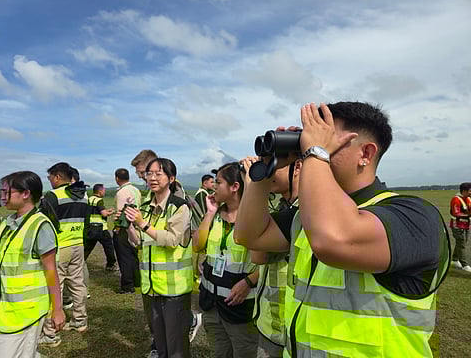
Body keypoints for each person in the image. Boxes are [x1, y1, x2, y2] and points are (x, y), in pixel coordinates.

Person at [235, 102, 450, 358]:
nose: (306, 151)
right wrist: (265, 171)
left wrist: (315, 152)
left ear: (366, 154)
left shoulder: (413, 216)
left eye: (327, 139)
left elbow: (334, 240)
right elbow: (250, 236)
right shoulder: (305, 217)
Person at [125, 158, 195, 358]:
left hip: (174, 289)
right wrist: (130, 226)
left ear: (171, 178)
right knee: (160, 340)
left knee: (177, 345)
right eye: (149, 173)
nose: (152, 178)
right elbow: (140, 241)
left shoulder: (179, 207)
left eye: (158, 173)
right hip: (151, 287)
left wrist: (143, 224)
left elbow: (172, 239)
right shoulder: (145, 205)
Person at [0, 171, 65, 357]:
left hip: (25, 314)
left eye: (7, 191)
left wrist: (57, 310)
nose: (2, 196)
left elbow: (51, 272)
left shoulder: (40, 226)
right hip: (0, 311)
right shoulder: (7, 223)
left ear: (26, 193)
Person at [193, 162, 259, 358]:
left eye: (218, 182)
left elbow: (269, 262)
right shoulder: (215, 216)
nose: (214, 186)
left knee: (243, 353)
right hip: (211, 303)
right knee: (220, 353)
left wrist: (248, 282)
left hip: (239, 307)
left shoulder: (255, 218)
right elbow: (197, 245)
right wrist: (210, 212)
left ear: (235, 187)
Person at [249, 159, 301, 358]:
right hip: (271, 323)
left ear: (297, 168)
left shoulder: (303, 213)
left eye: (274, 165)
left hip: (289, 329)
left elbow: (258, 254)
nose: (267, 172)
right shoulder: (282, 208)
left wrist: (255, 186)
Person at [40, 162, 89, 347]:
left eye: (50, 178)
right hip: (78, 244)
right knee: (77, 283)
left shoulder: (53, 196)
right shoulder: (83, 195)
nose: (50, 181)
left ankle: (51, 334)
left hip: (59, 248)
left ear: (58, 177)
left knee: (54, 288)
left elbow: (43, 222)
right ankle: (80, 321)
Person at [113, 168, 141, 294]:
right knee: (133, 255)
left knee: (124, 256)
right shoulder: (136, 190)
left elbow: (120, 212)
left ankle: (127, 285)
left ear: (117, 178)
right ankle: (137, 280)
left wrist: (117, 228)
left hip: (125, 227)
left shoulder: (121, 192)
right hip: (136, 226)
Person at [85, 184, 117, 271]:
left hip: (90, 227)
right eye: (104, 190)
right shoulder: (99, 200)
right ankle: (110, 265)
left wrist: (107, 210)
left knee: (87, 248)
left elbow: (95, 211)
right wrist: (112, 212)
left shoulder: (89, 199)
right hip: (101, 228)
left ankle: (80, 264)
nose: (104, 192)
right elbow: (104, 214)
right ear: (100, 191)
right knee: (109, 247)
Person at [449, 182, 471, 272]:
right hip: (457, 225)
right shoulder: (456, 199)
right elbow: (456, 213)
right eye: (470, 191)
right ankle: (464, 264)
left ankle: (455, 259)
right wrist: (468, 215)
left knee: (461, 243)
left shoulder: (468, 199)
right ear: (464, 191)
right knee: (461, 244)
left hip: (466, 225)